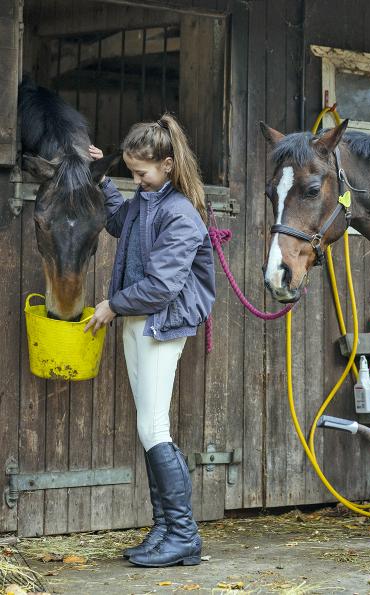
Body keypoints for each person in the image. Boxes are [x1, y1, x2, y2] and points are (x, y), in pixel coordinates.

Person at [84, 114, 215, 568]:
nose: (136, 181)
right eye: (131, 173)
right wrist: (101, 176)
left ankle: (184, 534)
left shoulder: (180, 214)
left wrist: (112, 305)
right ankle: (165, 529)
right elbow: (119, 223)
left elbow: (161, 287)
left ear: (167, 163)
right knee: (148, 427)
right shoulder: (146, 199)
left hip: (160, 323)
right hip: (139, 320)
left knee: (154, 427)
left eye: (141, 172)